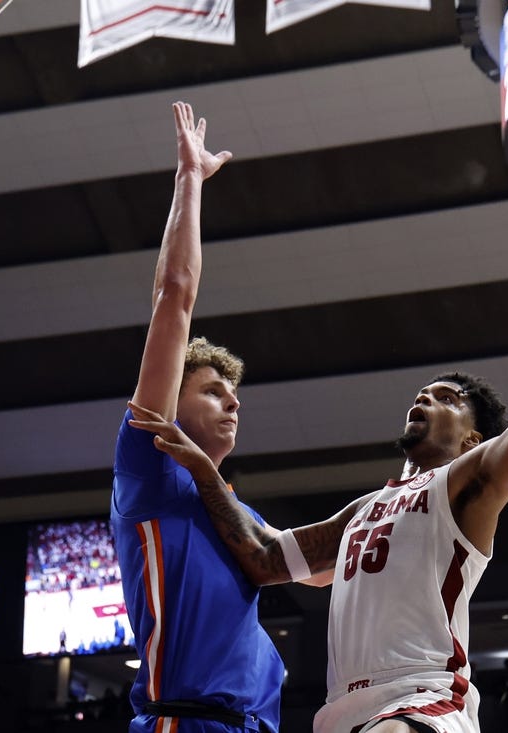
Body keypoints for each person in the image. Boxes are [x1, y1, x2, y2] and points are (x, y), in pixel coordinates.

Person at [128, 229, 508, 733]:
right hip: (344, 714)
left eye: (449, 398)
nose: (426, 395)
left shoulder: (468, 484)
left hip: (423, 701)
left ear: (473, 439)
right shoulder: (363, 511)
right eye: (425, 390)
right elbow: (260, 558)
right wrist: (206, 472)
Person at [112, 102, 366, 733]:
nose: (234, 401)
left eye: (235, 393)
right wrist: (189, 183)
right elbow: (175, 294)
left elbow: (321, 570)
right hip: (185, 722)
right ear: (172, 403)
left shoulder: (234, 512)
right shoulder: (149, 466)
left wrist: (409, 507)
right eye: (214, 390)